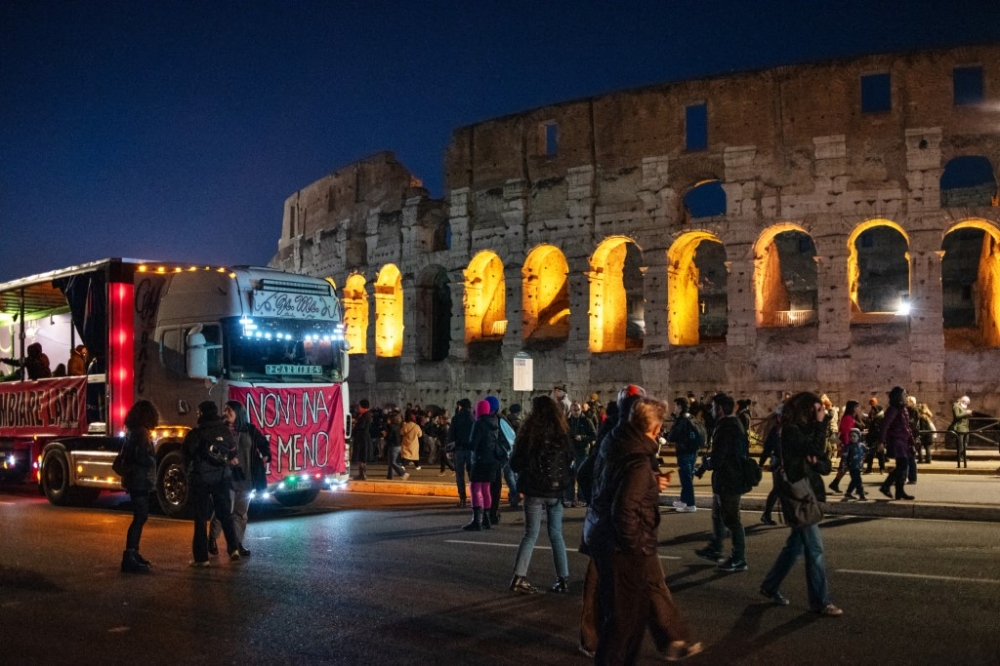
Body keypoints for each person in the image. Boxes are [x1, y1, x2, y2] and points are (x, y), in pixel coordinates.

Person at [594, 396, 702, 664]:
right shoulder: (639, 462)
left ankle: (670, 637)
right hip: (625, 549)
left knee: (631, 618)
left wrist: (650, 484)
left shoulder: (616, 444)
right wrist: (635, 547)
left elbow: (611, 486)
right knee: (623, 624)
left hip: (607, 540)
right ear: (653, 429)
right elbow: (625, 510)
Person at [759, 391, 842, 617]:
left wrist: (817, 458)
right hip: (799, 496)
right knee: (814, 550)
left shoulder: (800, 431)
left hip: (806, 493)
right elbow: (814, 450)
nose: (819, 412)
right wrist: (822, 422)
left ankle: (770, 586)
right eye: (815, 409)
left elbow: (823, 463)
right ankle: (819, 601)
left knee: (795, 546)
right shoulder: (790, 431)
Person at [508, 395, 573, 594]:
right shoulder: (562, 433)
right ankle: (562, 579)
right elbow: (570, 458)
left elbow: (515, 463)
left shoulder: (528, 433)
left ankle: (519, 578)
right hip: (556, 490)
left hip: (533, 490)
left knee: (530, 534)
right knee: (556, 535)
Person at [208, 401, 271, 558]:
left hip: (246, 478)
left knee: (241, 513)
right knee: (224, 510)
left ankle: (237, 544)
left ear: (239, 413)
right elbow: (212, 450)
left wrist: (266, 455)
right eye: (225, 408)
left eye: (230, 409)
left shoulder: (249, 429)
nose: (226, 411)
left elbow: (263, 443)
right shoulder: (219, 430)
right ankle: (212, 539)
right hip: (226, 477)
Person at [694, 393, 749, 572]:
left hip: (729, 481)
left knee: (732, 520)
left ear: (719, 409)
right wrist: (704, 467)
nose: (710, 410)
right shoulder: (730, 425)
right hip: (724, 480)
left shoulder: (727, 427)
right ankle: (716, 549)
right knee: (718, 516)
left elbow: (718, 458)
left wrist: (705, 464)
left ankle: (739, 558)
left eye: (712, 407)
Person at [183, 401, 241, 566]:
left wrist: (189, 473)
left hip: (200, 480)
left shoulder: (196, 433)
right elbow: (233, 453)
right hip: (222, 479)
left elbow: (186, 454)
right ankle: (233, 548)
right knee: (225, 515)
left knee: (200, 519)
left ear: (201, 414)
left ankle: (201, 559)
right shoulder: (225, 431)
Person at [119, 399, 160, 574]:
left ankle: (133, 554)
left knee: (139, 517)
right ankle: (129, 556)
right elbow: (142, 457)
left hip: (133, 479)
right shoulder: (142, 433)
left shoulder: (132, 431)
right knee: (140, 517)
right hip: (140, 480)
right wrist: (153, 459)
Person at [463, 399, 504, 531]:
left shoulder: (479, 424)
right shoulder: (494, 422)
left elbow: (473, 445)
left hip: (480, 460)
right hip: (492, 460)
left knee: (474, 489)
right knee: (486, 489)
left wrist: (459, 444)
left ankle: (477, 521)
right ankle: (487, 518)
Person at [879, 387, 916, 501]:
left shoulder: (903, 409)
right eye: (904, 394)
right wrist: (881, 441)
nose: (906, 396)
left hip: (904, 441)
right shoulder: (893, 409)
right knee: (902, 465)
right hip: (897, 441)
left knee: (902, 466)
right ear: (899, 396)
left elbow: (907, 428)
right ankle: (886, 486)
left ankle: (899, 492)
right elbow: (885, 425)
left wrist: (912, 442)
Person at [665, 396, 701, 513]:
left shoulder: (681, 420)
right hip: (693, 452)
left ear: (680, 406)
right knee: (688, 477)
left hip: (684, 452)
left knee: (686, 478)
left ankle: (690, 504)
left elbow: (672, 436)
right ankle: (683, 500)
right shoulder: (691, 417)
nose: (674, 408)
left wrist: (665, 436)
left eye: (675, 405)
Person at [565, 401, 597, 507]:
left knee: (581, 475)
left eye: (578, 410)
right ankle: (569, 498)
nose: (576, 412)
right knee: (570, 476)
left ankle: (581, 498)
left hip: (582, 451)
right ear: (571, 410)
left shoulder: (586, 421)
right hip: (570, 451)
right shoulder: (567, 422)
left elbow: (594, 435)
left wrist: (583, 437)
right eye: (574, 410)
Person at [757, 406, 783, 526]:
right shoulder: (775, 430)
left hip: (787, 462)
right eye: (780, 416)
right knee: (778, 489)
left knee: (786, 489)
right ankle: (766, 514)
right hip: (777, 461)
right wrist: (761, 463)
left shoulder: (790, 430)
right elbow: (768, 448)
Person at [828, 400, 860, 494]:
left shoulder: (850, 418)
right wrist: (847, 445)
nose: (858, 409)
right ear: (853, 408)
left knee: (846, 467)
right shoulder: (848, 418)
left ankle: (835, 483)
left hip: (848, 445)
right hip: (847, 446)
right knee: (851, 467)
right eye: (857, 407)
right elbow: (845, 432)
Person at [449, 398, 475, 507]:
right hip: (471, 450)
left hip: (459, 449)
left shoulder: (456, 418)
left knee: (460, 475)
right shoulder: (473, 418)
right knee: (472, 475)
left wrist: (449, 449)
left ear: (460, 406)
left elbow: (451, 435)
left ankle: (462, 499)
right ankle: (474, 499)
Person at [842, 428, 868, 501]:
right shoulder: (848, 447)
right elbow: (844, 457)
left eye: (854, 436)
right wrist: (843, 466)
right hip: (852, 466)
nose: (852, 438)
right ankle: (861, 494)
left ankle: (848, 493)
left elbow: (868, 450)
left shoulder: (861, 445)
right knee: (858, 480)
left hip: (859, 466)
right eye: (850, 436)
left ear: (858, 437)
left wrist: (875, 448)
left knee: (854, 480)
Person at [352, 399, 375, 480]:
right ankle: (362, 474)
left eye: (360, 406)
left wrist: (355, 424)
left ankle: (362, 474)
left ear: (363, 407)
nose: (359, 408)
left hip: (362, 439)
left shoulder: (365, 415)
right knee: (362, 457)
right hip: (363, 438)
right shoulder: (366, 414)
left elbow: (361, 426)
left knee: (361, 456)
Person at [384, 410, 409, 481]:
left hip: (393, 445)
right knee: (391, 461)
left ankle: (402, 473)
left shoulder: (391, 427)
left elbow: (389, 437)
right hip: (399, 445)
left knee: (392, 462)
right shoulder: (399, 426)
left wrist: (385, 435)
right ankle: (390, 476)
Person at [949, 395, 972, 468]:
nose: (967, 404)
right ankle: (960, 458)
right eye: (967, 403)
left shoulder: (963, 407)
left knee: (965, 443)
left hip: (966, 428)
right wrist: (966, 412)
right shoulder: (956, 406)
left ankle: (963, 457)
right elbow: (957, 416)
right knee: (961, 444)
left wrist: (968, 413)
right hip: (960, 428)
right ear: (963, 401)